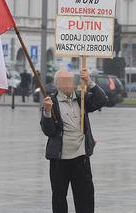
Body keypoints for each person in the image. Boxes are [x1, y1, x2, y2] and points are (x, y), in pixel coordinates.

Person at [40, 68, 108, 213]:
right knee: (59, 198)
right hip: (60, 160)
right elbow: (48, 131)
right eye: (65, 81)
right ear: (57, 84)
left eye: (70, 80)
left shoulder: (81, 98)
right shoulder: (51, 102)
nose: (69, 84)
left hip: (81, 158)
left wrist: (89, 82)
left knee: (85, 197)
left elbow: (102, 99)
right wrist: (47, 112)